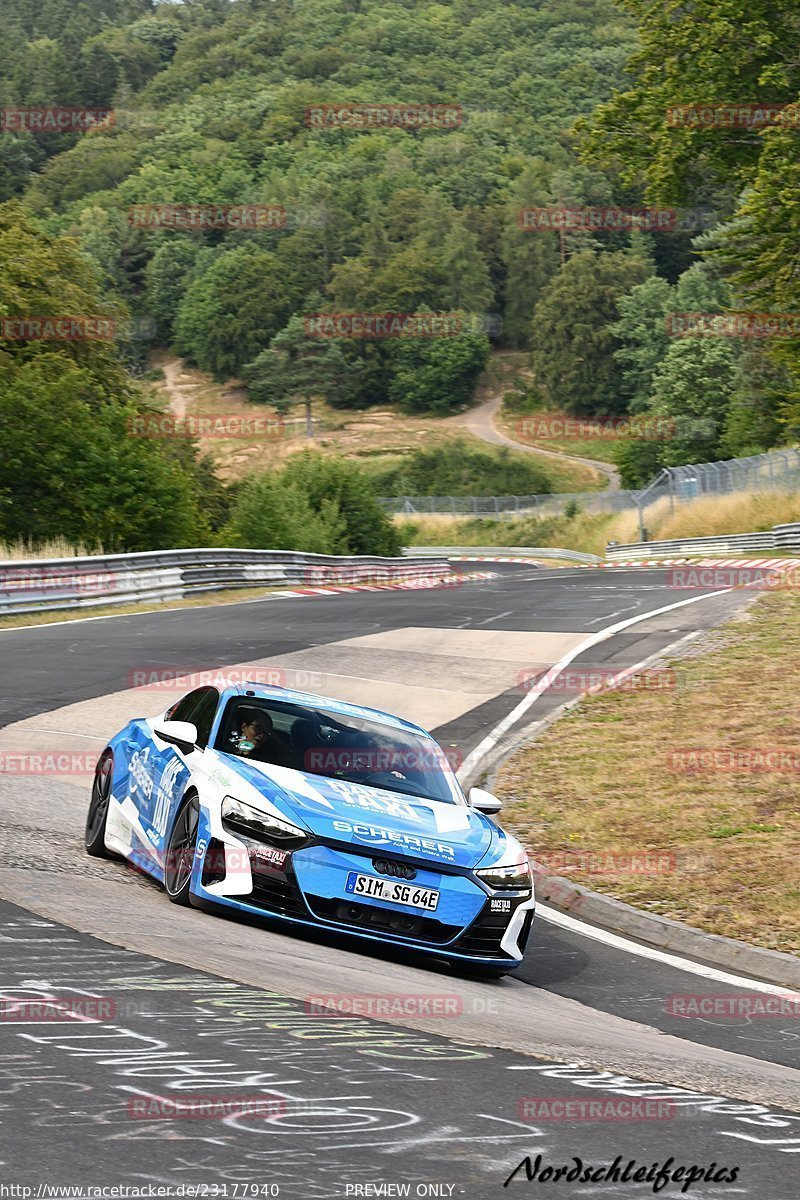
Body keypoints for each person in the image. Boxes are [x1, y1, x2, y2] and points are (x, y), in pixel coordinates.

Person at [230, 709, 296, 768]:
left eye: (266, 732)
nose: (262, 735)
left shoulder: (269, 757)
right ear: (244, 727)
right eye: (258, 729)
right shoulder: (226, 746)